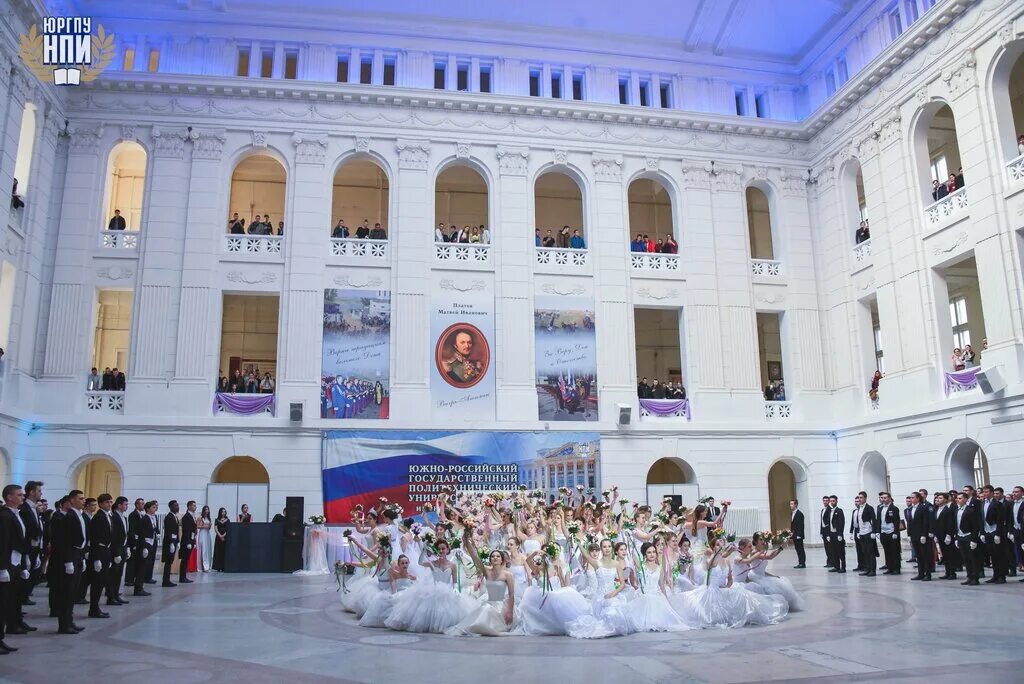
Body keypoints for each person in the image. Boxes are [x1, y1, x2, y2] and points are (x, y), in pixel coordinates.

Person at [54, 489, 88, 634]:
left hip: (78, 554)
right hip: (71, 555)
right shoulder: (68, 517)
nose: (83, 501)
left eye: (83, 498)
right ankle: (64, 624)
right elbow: (64, 540)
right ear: (72, 500)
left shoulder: (79, 515)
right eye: (80, 498)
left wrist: (82, 556)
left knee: (73, 591)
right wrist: (68, 561)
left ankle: (70, 621)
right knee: (67, 592)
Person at [86, 493, 114, 618]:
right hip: (99, 551)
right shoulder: (98, 517)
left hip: (106, 551)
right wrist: (97, 558)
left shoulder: (109, 516)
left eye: (110, 502)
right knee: (97, 582)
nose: (109, 504)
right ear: (101, 504)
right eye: (107, 502)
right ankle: (93, 608)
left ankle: (96, 607)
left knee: (102, 580)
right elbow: (95, 538)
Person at [107, 496, 130, 604]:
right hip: (116, 550)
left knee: (119, 574)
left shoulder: (124, 518)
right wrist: (116, 553)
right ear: (119, 505)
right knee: (113, 574)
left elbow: (125, 535)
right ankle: (111, 596)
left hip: (123, 548)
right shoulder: (114, 517)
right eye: (125, 504)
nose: (127, 506)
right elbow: (114, 536)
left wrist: (127, 548)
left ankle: (116, 594)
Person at [133, 500, 158, 596]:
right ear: (148, 509)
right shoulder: (145, 519)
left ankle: (141, 586)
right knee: (142, 567)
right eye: (153, 507)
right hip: (146, 543)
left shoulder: (152, 518)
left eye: (155, 507)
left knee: (145, 566)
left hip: (151, 542)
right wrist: (144, 547)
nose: (155, 509)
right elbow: (141, 533)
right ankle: (138, 588)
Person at [851, 492, 878, 577]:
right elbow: (858, 521)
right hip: (861, 533)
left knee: (870, 552)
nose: (859, 499)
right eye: (858, 497)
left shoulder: (869, 508)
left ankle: (872, 570)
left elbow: (874, 520)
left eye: (861, 497)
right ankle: (867, 568)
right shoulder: (859, 509)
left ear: (865, 498)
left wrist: (874, 532)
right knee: (865, 552)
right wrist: (858, 532)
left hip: (868, 532)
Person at [907, 492, 932, 581]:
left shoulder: (923, 507)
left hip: (922, 535)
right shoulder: (910, 509)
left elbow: (926, 522)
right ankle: (920, 573)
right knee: (918, 555)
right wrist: (909, 534)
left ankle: (928, 574)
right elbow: (909, 522)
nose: (911, 499)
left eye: (913, 497)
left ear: (918, 498)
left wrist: (924, 535)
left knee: (925, 555)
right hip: (914, 535)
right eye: (910, 497)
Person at [876, 492, 901, 575]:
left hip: (892, 532)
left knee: (895, 551)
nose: (883, 499)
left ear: (890, 498)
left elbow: (897, 521)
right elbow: (878, 520)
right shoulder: (880, 508)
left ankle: (896, 568)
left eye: (885, 498)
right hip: (883, 532)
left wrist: (895, 532)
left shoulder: (894, 508)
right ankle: (890, 567)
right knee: (887, 551)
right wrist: (878, 531)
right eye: (882, 498)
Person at [161, 501, 180, 588]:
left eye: (177, 505)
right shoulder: (169, 517)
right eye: (175, 505)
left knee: (170, 561)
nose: (177, 507)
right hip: (170, 542)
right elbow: (169, 531)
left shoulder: (174, 516)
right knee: (168, 561)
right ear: (171, 507)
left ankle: (167, 580)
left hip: (174, 541)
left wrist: (177, 541)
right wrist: (171, 543)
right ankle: (165, 581)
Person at [826, 495, 846, 573]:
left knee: (840, 551)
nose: (832, 502)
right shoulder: (829, 511)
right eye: (831, 501)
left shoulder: (839, 511)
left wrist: (840, 534)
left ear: (837, 501)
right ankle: (836, 566)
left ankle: (843, 567)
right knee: (834, 551)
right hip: (831, 534)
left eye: (833, 501)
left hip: (837, 534)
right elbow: (828, 523)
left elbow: (841, 523)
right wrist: (828, 534)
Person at [178, 501, 197, 584]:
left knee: (186, 559)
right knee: (184, 559)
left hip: (191, 539)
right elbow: (187, 530)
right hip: (187, 540)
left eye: (195, 506)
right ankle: (182, 577)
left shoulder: (192, 516)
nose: (195, 507)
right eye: (193, 506)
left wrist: (193, 540)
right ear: (189, 506)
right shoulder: (187, 516)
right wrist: (189, 542)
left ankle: (184, 576)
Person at [196, 505, 213, 573]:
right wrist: (204, 526)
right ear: (203, 510)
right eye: (206, 509)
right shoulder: (200, 517)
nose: (207, 511)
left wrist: (209, 526)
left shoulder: (208, 518)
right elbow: (197, 526)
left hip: (207, 534)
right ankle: (202, 566)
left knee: (207, 548)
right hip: (202, 533)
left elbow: (208, 527)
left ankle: (207, 565)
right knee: (202, 549)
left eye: (208, 509)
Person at [789, 499, 805, 568]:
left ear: (796, 504)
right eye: (790, 504)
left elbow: (801, 526)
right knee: (797, 549)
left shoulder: (799, 514)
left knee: (800, 549)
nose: (791, 505)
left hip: (799, 535)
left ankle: (802, 563)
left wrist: (799, 535)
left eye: (792, 504)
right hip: (795, 535)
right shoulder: (792, 513)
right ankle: (800, 562)